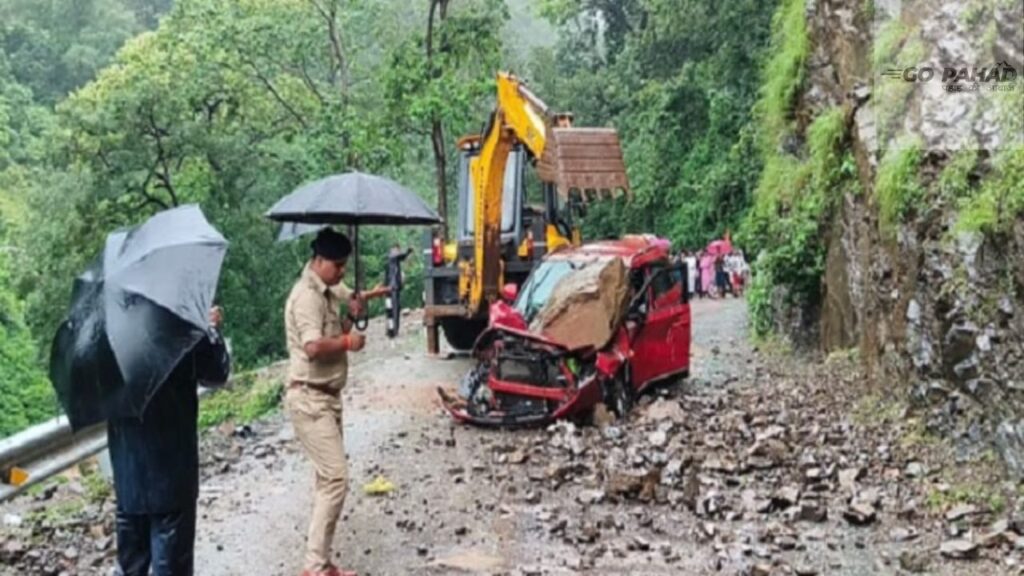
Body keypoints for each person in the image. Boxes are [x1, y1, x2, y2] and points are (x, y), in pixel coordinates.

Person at [109, 307, 230, 576]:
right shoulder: (179, 321)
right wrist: (209, 329)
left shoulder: (108, 327)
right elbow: (217, 373)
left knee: (130, 564)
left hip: (128, 471)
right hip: (171, 469)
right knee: (171, 565)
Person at [284, 229, 373, 576]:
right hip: (309, 398)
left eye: (344, 266)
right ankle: (314, 567)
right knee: (336, 479)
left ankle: (320, 562)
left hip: (327, 396)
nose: (341, 273)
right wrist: (349, 343)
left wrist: (352, 313)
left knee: (327, 480)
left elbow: (337, 329)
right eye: (336, 266)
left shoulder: (328, 292)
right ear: (318, 261)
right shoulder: (306, 297)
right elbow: (313, 347)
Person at [384, 244, 414, 339]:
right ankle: (393, 331)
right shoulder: (392, 257)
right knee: (394, 310)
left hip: (390, 287)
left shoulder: (391, 260)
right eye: (397, 249)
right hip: (393, 288)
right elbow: (402, 255)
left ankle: (391, 330)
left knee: (391, 310)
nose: (398, 251)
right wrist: (408, 250)